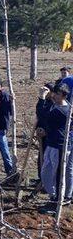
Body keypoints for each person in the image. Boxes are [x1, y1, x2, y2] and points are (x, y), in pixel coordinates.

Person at [36, 84, 73, 215]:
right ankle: (54, 197)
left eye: (57, 94)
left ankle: (57, 202)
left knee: (58, 175)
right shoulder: (56, 106)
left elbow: (43, 116)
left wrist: (41, 98)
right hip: (52, 144)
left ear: (63, 95)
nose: (54, 95)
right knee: (46, 172)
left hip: (60, 146)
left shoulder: (63, 110)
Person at [36, 83, 55, 181]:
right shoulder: (44, 101)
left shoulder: (54, 103)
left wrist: (46, 132)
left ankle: (49, 179)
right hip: (42, 135)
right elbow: (39, 115)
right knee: (41, 157)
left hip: (51, 136)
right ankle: (41, 178)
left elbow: (44, 115)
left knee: (49, 159)